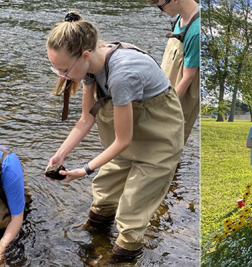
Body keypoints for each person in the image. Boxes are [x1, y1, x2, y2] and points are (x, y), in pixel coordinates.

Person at [45, 11, 184, 263]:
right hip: (127, 135)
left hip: (157, 137)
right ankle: (96, 231)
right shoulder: (88, 66)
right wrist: (61, 154)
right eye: (55, 68)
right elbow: (86, 118)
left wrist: (84, 170)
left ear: (84, 55)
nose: (60, 76)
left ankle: (123, 256)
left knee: (133, 208)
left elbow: (123, 141)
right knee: (105, 190)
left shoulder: (122, 74)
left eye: (64, 69)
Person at [147, 0, 200, 144]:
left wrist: (166, 107)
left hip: (180, 94)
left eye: (160, 5)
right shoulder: (181, 17)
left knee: (171, 139)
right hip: (167, 87)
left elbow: (188, 77)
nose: (160, 11)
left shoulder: (196, 31)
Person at [0, 146, 31, 263]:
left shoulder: (9, 166)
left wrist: (1, 249)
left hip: (7, 183)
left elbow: (17, 218)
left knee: (3, 220)